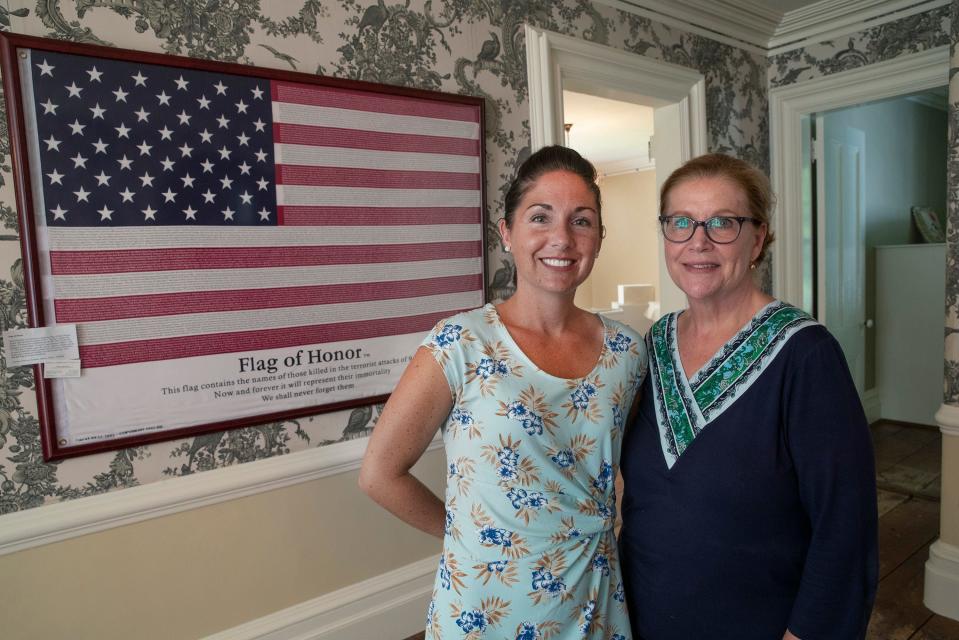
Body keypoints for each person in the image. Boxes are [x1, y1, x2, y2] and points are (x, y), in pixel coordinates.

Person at [360, 145, 647, 639]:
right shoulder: (461, 343)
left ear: (599, 239)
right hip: (487, 602)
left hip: (593, 594)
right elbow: (380, 474)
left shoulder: (627, 352)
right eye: (541, 217)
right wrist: (465, 534)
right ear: (507, 233)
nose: (562, 237)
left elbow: (621, 467)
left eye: (582, 221)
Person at [618, 153, 878, 640]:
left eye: (723, 222)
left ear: (758, 238)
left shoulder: (806, 355)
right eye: (681, 222)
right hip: (648, 613)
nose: (698, 241)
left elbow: (846, 527)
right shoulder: (655, 342)